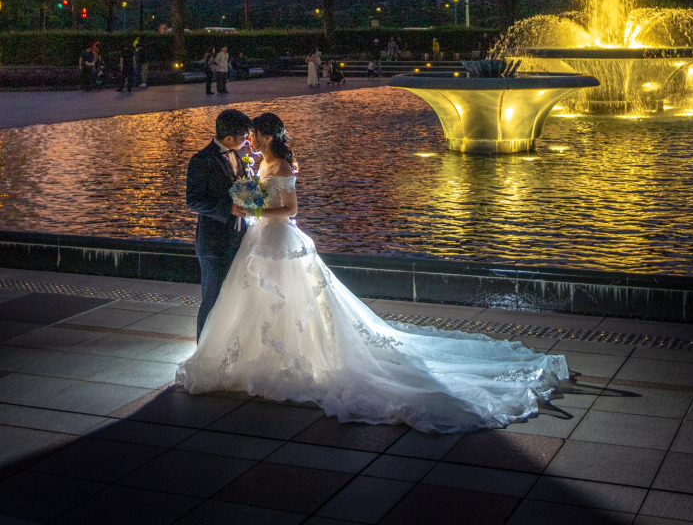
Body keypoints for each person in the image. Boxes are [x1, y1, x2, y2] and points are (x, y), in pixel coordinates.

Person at [176, 113, 568, 432]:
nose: (249, 141)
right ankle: (232, 354)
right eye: (244, 137)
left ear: (263, 136)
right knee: (245, 298)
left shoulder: (274, 163)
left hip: (274, 235)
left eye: (253, 136)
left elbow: (290, 208)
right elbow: (212, 197)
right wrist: (247, 205)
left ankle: (277, 360)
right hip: (247, 239)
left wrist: (256, 210)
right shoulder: (251, 161)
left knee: (288, 300)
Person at [185, 108, 252, 338]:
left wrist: (253, 200)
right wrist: (228, 208)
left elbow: (243, 189)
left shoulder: (239, 156)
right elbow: (193, 201)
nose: (247, 140)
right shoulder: (201, 160)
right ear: (229, 137)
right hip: (213, 243)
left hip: (239, 239)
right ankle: (202, 352)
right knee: (212, 299)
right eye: (244, 136)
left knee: (235, 299)